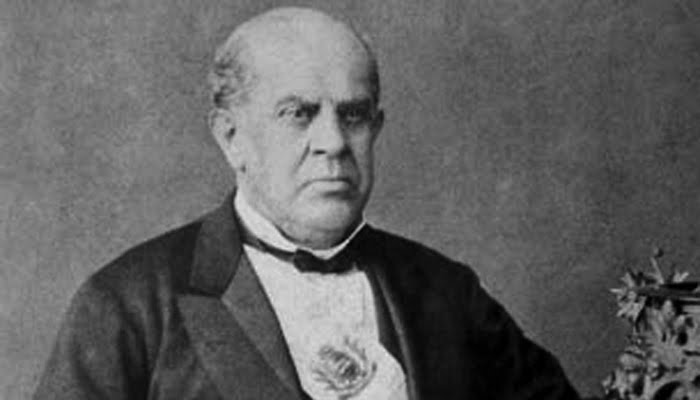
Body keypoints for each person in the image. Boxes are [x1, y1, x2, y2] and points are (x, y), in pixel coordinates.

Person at [35, 7, 580, 400]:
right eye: (298, 114)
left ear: (376, 128)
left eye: (353, 115)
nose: (334, 142)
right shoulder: (129, 304)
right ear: (231, 137)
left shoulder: (445, 292)